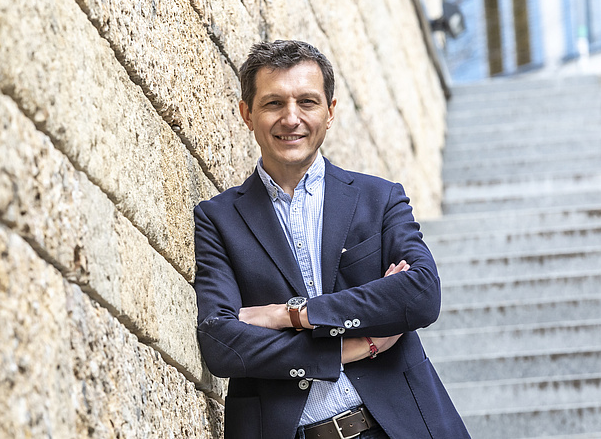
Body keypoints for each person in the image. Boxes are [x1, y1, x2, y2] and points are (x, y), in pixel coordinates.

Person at [193, 40, 470, 439]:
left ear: (330, 111)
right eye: (273, 104)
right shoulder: (218, 219)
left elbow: (421, 294)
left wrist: (290, 315)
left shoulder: (380, 198)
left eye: (307, 102)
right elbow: (221, 342)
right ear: (246, 114)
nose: (291, 118)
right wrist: (351, 347)